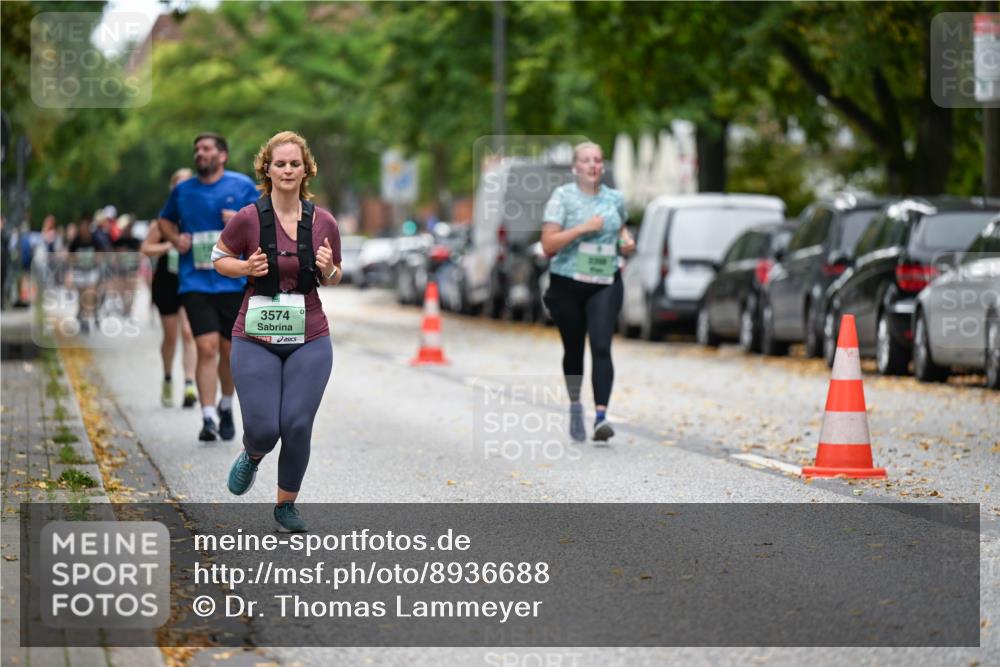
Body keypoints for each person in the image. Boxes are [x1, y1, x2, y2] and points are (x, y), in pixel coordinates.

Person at [212, 130, 341, 533]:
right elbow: (219, 257)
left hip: (310, 336)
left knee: (297, 423)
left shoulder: (324, 222)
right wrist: (245, 268)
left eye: (295, 164)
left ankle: (286, 505)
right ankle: (252, 454)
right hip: (255, 337)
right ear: (267, 169)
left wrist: (328, 269)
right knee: (266, 428)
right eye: (280, 163)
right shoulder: (249, 218)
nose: (288, 170)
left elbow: (336, 276)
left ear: (307, 170)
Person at [156, 133, 259, 442]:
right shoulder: (184, 190)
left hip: (233, 280)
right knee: (205, 347)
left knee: (229, 350)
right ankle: (208, 417)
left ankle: (226, 406)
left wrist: (240, 219)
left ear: (222, 155)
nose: (199, 153)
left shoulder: (241, 186)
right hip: (195, 280)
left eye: (206, 148)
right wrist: (176, 240)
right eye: (197, 148)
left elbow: (264, 223)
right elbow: (164, 221)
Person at [540, 141, 635, 443]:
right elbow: (548, 245)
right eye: (586, 160)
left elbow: (620, 228)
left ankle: (601, 417)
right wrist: (583, 228)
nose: (593, 165)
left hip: (605, 281)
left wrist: (626, 241)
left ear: (602, 167)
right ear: (575, 167)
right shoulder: (562, 197)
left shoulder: (615, 198)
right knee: (574, 349)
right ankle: (575, 405)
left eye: (597, 160)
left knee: (602, 345)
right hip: (567, 282)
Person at [142, 169, 198, 408]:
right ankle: (167, 377)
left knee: (189, 332)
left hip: (191, 279)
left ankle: (189, 385)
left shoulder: (198, 216)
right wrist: (170, 244)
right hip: (166, 280)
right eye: (180, 185)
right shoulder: (163, 221)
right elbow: (146, 248)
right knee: (171, 336)